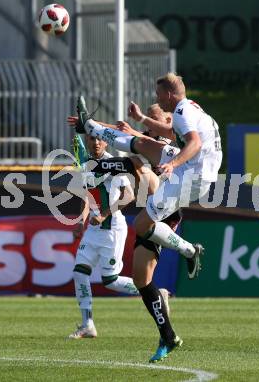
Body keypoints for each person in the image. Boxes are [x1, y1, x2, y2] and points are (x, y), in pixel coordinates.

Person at [74, 73, 222, 361]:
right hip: (187, 175)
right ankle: (169, 337)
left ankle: (190, 250)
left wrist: (174, 163)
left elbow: (188, 142)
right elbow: (142, 138)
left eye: (157, 97)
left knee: (140, 221)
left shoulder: (180, 114)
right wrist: (114, 125)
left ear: (168, 95)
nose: (156, 102)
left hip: (187, 177)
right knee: (142, 278)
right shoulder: (188, 110)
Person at [69, 133, 140, 339]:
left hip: (112, 228)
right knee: (80, 273)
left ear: (106, 141)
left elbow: (130, 195)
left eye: (100, 139)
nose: (96, 142)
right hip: (93, 229)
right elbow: (87, 197)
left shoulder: (114, 164)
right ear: (88, 142)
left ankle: (153, 292)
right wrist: (80, 222)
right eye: (92, 139)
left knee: (110, 280)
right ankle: (87, 324)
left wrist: (104, 214)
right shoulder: (86, 165)